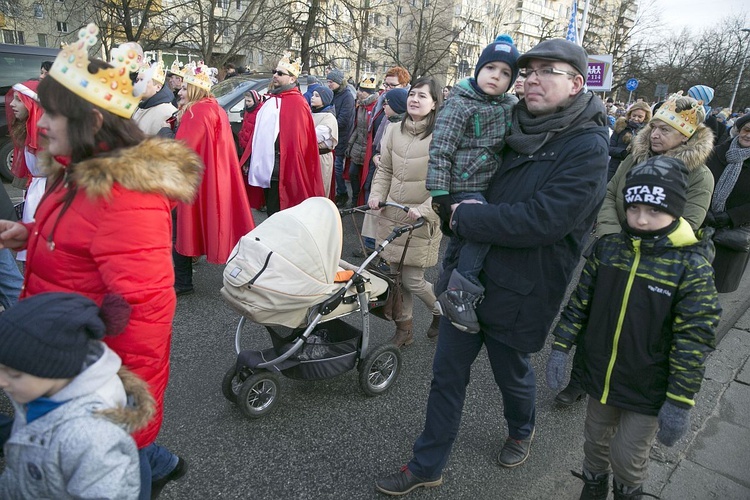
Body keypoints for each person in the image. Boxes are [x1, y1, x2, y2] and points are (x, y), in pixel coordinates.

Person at [375, 38, 609, 495]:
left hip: (523, 286)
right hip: (470, 274)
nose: (531, 78)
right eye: (529, 70)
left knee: (512, 374)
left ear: (577, 83)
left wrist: (464, 217)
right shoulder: (502, 120)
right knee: (446, 377)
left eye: (547, 71)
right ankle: (427, 464)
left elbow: (548, 220)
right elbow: (455, 167)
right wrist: (443, 200)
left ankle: (521, 428)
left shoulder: (588, 145)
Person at [0, 25, 202, 498]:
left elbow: (147, 312)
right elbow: (83, 243)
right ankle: (158, 461)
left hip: (88, 370)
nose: (40, 124)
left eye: (51, 113)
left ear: (92, 123)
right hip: (63, 353)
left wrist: (124, 401)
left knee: (112, 460)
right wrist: (28, 234)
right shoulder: (75, 170)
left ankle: (147, 467)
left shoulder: (124, 196)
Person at [546, 157, 720, 500]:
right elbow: (581, 301)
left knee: (627, 457)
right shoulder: (609, 249)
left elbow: (694, 340)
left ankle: (628, 492)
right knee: (595, 445)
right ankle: (594, 486)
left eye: (654, 210)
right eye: (634, 207)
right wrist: (561, 346)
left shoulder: (690, 267)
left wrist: (680, 399)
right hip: (601, 375)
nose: (641, 219)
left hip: (648, 385)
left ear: (676, 211)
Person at [554, 92, 717, 407]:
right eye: (654, 127)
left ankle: (625, 390)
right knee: (593, 317)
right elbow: (611, 191)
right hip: (612, 252)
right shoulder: (635, 156)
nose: (655, 134)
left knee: (633, 326)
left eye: (665, 130)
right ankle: (580, 380)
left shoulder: (700, 176)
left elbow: (690, 220)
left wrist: (640, 241)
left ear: (686, 136)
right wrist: (612, 237)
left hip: (656, 264)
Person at [0, 292, 157, 499]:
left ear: (56, 368)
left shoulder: (91, 438)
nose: (2, 381)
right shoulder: (32, 393)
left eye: (14, 374)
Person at [427, 34, 519, 334]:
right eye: (491, 68)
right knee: (482, 230)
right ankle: (460, 292)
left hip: (486, 184)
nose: (497, 76)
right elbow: (440, 148)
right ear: (478, 69)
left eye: (506, 73)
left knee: (460, 241)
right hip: (459, 183)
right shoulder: (460, 104)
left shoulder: (509, 106)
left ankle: (444, 287)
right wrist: (440, 194)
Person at [367, 77, 443, 346]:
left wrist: (425, 209)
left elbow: (446, 183)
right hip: (393, 213)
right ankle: (405, 330)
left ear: (434, 104)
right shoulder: (392, 130)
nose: (415, 99)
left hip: (420, 219)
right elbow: (385, 169)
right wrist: (377, 194)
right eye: (413, 94)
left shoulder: (441, 136)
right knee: (396, 278)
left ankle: (441, 312)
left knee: (412, 280)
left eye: (423, 96)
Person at [173, 61, 255, 294]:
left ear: (195, 89)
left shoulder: (196, 111)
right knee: (223, 224)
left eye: (185, 88)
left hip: (194, 181)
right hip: (215, 177)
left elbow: (183, 151)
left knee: (181, 229)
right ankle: (244, 276)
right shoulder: (214, 108)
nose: (180, 91)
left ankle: (183, 282)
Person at [246, 53, 323, 215]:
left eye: (280, 74)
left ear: (292, 79)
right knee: (270, 210)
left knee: (278, 212)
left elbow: (298, 141)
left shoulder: (297, 103)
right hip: (266, 167)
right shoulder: (271, 99)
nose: (275, 75)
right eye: (275, 71)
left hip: (282, 168)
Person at [703, 113, 750, 292]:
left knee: (714, 289)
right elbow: (699, 183)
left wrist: (731, 217)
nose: (748, 135)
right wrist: (704, 210)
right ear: (738, 130)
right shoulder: (716, 152)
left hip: (733, 233)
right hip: (703, 224)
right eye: (746, 130)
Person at [5, 80, 45, 263]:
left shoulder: (44, 133)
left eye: (18, 100)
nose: (12, 104)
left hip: (44, 195)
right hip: (35, 192)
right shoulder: (28, 129)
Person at [345, 74, 381, 207]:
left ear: (367, 93)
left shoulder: (376, 107)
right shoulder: (360, 106)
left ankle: (363, 203)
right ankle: (355, 199)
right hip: (357, 147)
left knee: (367, 179)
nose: (358, 92)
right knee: (353, 173)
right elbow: (357, 128)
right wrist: (350, 144)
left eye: (360, 90)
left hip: (368, 149)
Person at [327, 69, 356, 208]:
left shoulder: (347, 97)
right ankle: (335, 193)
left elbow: (343, 120)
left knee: (337, 167)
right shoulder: (334, 94)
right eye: (328, 81)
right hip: (333, 135)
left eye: (331, 82)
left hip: (341, 137)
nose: (329, 84)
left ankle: (342, 193)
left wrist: (328, 125)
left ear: (339, 82)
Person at [607, 101, 651, 179]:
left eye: (640, 117)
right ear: (630, 114)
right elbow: (609, 148)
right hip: (614, 168)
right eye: (634, 115)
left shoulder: (647, 132)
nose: (636, 119)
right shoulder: (621, 127)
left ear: (645, 117)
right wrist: (624, 152)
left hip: (634, 170)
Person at [132, 61, 177, 137]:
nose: (138, 84)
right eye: (137, 80)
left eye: (143, 80)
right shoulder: (138, 106)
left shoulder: (168, 113)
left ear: (158, 87)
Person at [310, 85, 338, 197]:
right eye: (313, 95)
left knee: (319, 189)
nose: (312, 97)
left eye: (317, 96)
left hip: (321, 158)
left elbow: (313, 137)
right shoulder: (311, 113)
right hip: (310, 156)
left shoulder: (328, 118)